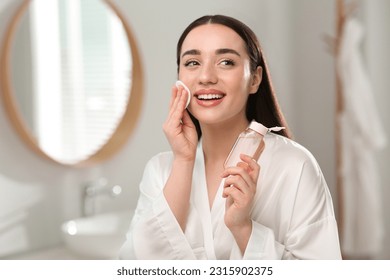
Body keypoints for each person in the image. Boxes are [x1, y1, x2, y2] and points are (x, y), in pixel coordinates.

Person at [119, 14, 341, 260]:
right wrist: (183, 160)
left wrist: (243, 228)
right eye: (192, 62)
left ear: (255, 79)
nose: (206, 77)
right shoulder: (159, 170)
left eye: (226, 62)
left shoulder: (295, 165)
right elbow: (134, 265)